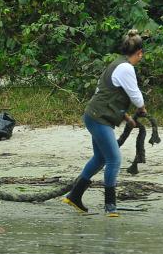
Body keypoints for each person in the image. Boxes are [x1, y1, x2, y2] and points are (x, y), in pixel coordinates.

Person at [63, 29, 147, 216]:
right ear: (139, 53)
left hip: (94, 116)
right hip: (98, 119)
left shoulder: (117, 64)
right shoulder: (126, 68)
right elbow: (135, 95)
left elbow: (108, 93)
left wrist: (125, 116)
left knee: (100, 158)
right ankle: (110, 206)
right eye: (141, 55)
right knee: (114, 159)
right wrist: (141, 108)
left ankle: (74, 196)